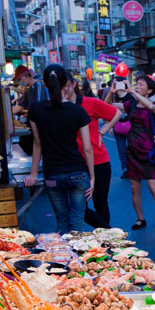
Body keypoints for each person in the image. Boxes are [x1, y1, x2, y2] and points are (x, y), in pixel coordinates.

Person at [24, 64, 95, 234]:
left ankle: (64, 260)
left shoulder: (36, 110)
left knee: (62, 222)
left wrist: (33, 173)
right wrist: (92, 177)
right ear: (66, 85)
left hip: (52, 174)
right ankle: (77, 259)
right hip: (78, 172)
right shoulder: (78, 111)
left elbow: (37, 143)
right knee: (77, 224)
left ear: (45, 84)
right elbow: (87, 148)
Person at [109, 75, 155, 233]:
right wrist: (111, 91)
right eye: (136, 84)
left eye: (140, 85)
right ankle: (140, 218)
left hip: (149, 151)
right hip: (133, 150)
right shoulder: (131, 104)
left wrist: (131, 92)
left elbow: (151, 108)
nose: (136, 86)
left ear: (149, 90)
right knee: (134, 187)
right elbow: (107, 105)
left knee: (153, 186)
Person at [67, 74, 122, 229]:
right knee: (78, 206)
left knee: (101, 203)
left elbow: (116, 113)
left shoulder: (90, 103)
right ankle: (110, 233)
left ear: (73, 84)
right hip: (75, 163)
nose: (63, 89)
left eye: (66, 85)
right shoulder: (61, 108)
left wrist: (101, 132)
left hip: (98, 160)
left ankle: (107, 239)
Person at [11, 66, 49, 156]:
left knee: (36, 146)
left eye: (19, 79)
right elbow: (19, 107)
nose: (19, 82)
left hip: (40, 125)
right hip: (32, 123)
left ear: (25, 76)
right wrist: (5, 114)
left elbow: (38, 109)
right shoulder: (29, 90)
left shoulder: (38, 87)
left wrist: (26, 115)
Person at [104, 78, 136, 179]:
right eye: (114, 82)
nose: (116, 84)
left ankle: (134, 168)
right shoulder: (112, 96)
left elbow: (133, 108)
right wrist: (111, 92)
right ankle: (125, 169)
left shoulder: (130, 96)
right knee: (121, 149)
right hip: (117, 125)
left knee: (132, 149)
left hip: (130, 126)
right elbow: (106, 106)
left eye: (118, 82)